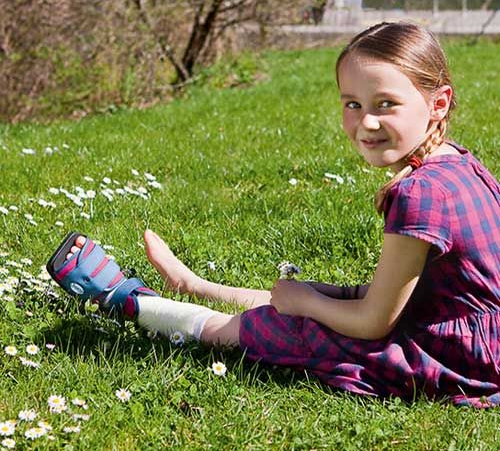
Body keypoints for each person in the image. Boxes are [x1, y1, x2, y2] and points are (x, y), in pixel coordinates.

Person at [48, 22, 499, 408]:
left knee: (289, 326)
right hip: (474, 339)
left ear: (438, 103)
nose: (366, 123)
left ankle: (133, 303)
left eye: (386, 104)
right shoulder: (461, 163)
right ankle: (194, 286)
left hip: (454, 358)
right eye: (353, 104)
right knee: (315, 298)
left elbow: (374, 322)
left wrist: (308, 304)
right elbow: (423, 293)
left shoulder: (421, 194)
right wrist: (317, 295)